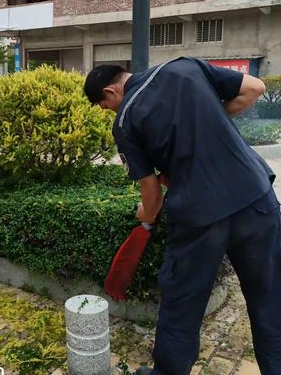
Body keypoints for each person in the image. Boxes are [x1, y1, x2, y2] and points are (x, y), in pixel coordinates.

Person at [84, 57, 281, 375]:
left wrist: (145, 213)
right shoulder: (184, 67)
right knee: (271, 297)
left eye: (106, 106)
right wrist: (206, 125)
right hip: (255, 197)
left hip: (199, 216)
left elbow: (151, 195)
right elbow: (254, 88)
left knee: (182, 304)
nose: (110, 112)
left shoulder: (126, 121)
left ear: (110, 91)